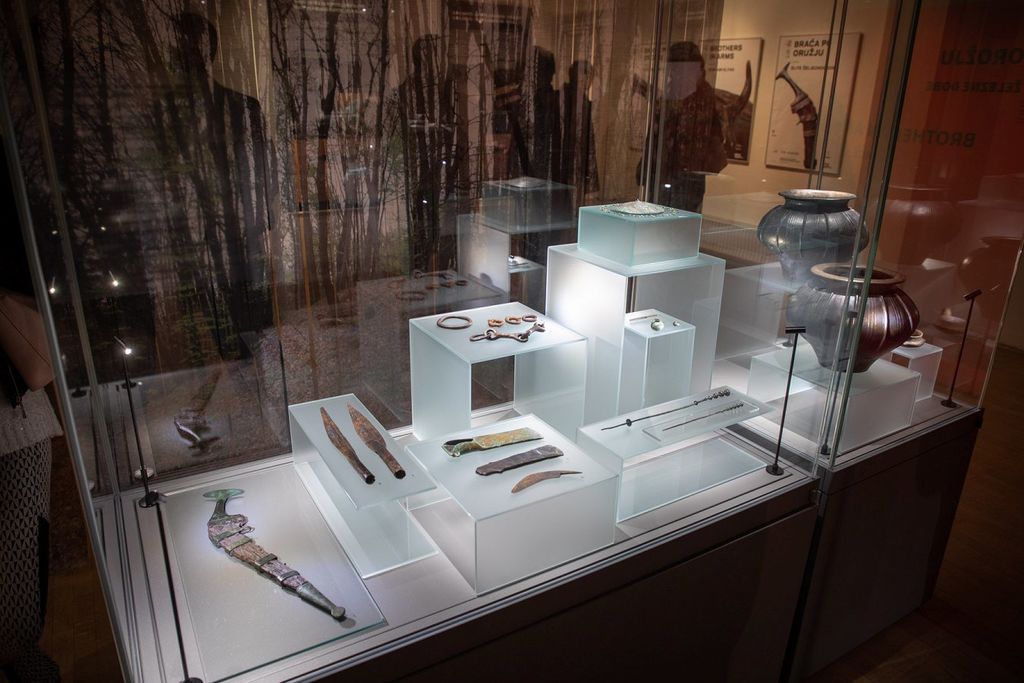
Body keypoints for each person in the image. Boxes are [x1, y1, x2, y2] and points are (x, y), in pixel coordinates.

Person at [642, 41, 727, 213]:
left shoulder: (708, 103)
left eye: (683, 69)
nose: (676, 75)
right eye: (674, 69)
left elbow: (716, 146)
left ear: (697, 70)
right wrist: (646, 171)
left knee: (682, 222)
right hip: (661, 180)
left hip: (689, 184)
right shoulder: (668, 99)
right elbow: (654, 138)